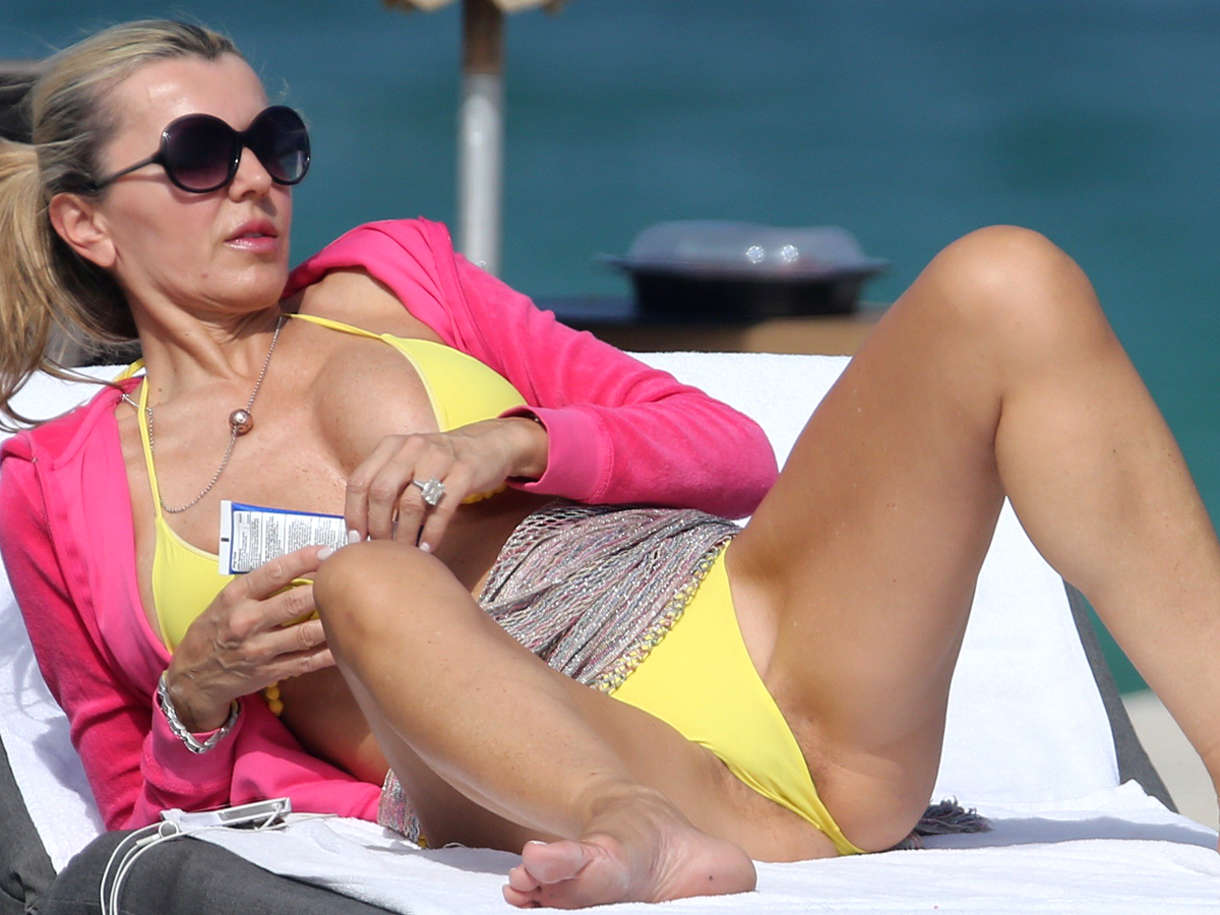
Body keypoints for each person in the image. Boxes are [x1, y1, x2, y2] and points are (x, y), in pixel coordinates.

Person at [1, 19, 1218, 911]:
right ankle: (633, 828)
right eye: (199, 156)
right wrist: (197, 697)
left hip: (775, 652)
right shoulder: (56, 485)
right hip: (551, 775)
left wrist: (515, 440)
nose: (254, 180)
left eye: (274, 142)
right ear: (86, 221)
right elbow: (132, 820)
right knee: (365, 579)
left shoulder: (398, 282)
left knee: (1005, 278)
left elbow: (727, 451)